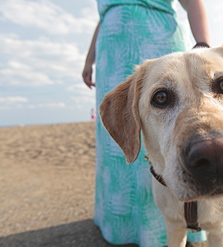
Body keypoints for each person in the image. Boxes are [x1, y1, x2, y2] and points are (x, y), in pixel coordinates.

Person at [82, 0, 210, 246]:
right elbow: (104, 16)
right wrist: (90, 59)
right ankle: (122, 224)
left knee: (168, 129)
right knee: (118, 135)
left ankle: (178, 223)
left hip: (157, 40)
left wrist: (202, 44)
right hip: (111, 52)